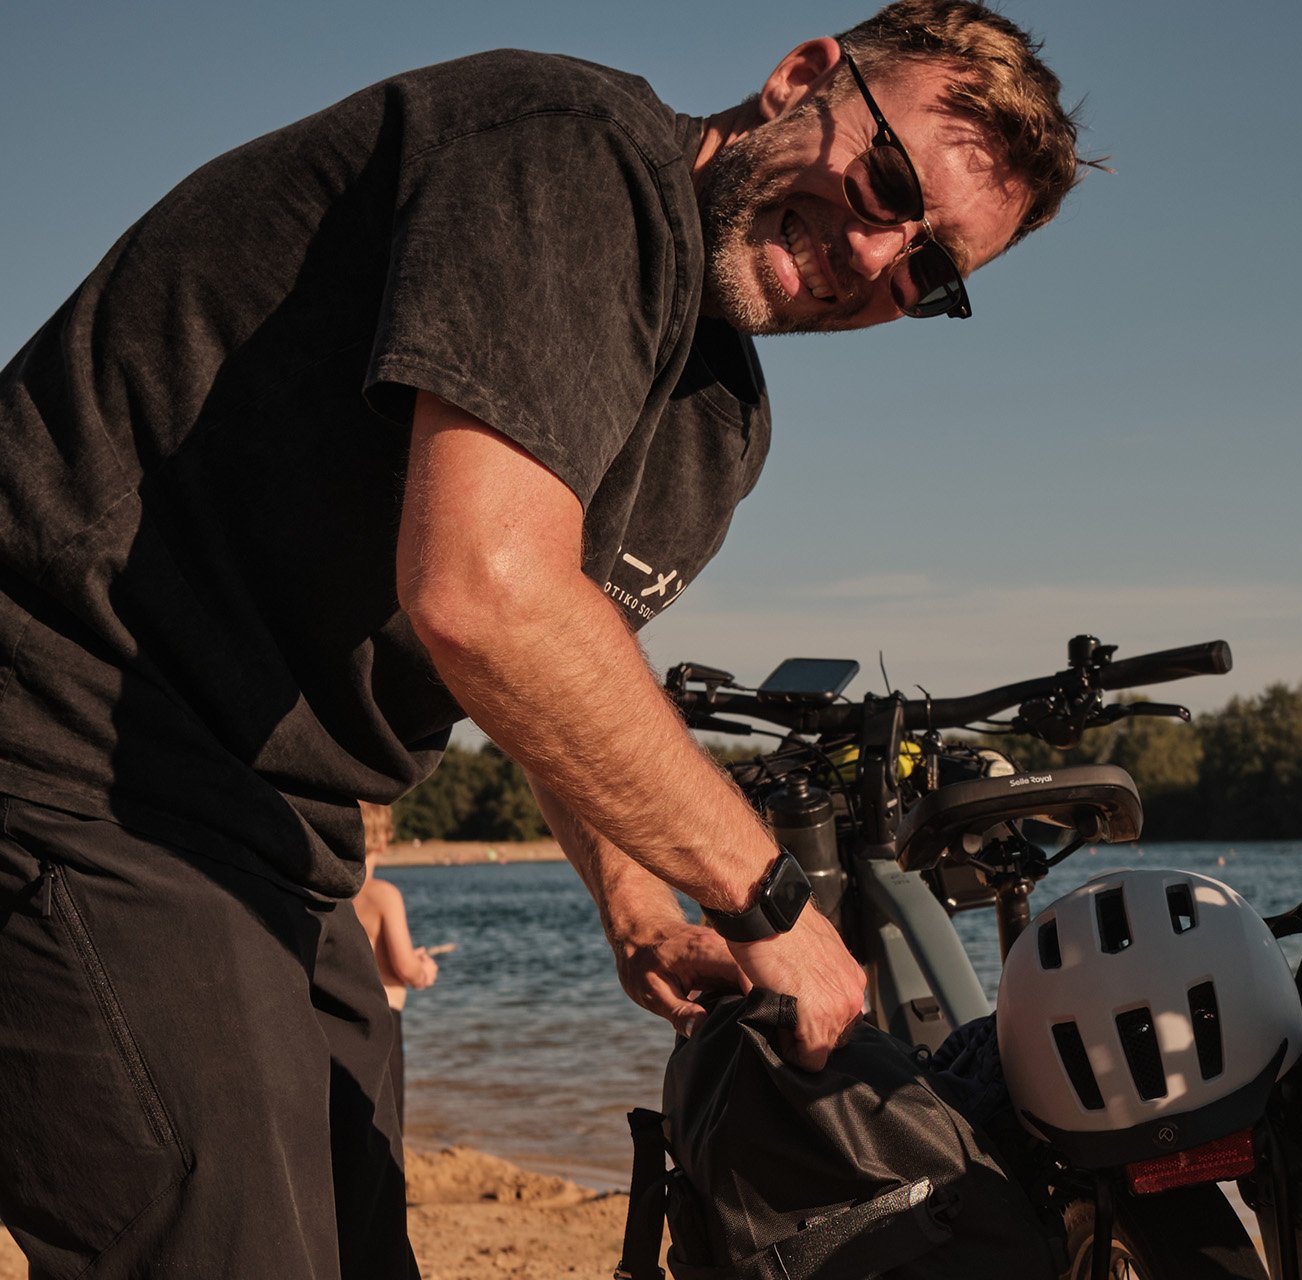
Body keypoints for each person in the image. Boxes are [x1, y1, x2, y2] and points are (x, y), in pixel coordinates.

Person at [0, 3, 1089, 1277]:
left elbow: (560, 677)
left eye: (933, 268)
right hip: (66, 740)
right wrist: (770, 898)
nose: (876, 250)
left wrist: (634, 907)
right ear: (802, 80)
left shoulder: (716, 421)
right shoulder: (571, 159)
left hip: (278, 841)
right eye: (887, 179)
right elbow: (486, 595)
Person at [350, 802, 438, 1131]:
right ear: (384, 840)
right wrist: (423, 969)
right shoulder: (382, 895)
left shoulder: (335, 896)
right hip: (384, 1019)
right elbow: (404, 967)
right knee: (387, 1118)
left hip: (342, 1016)